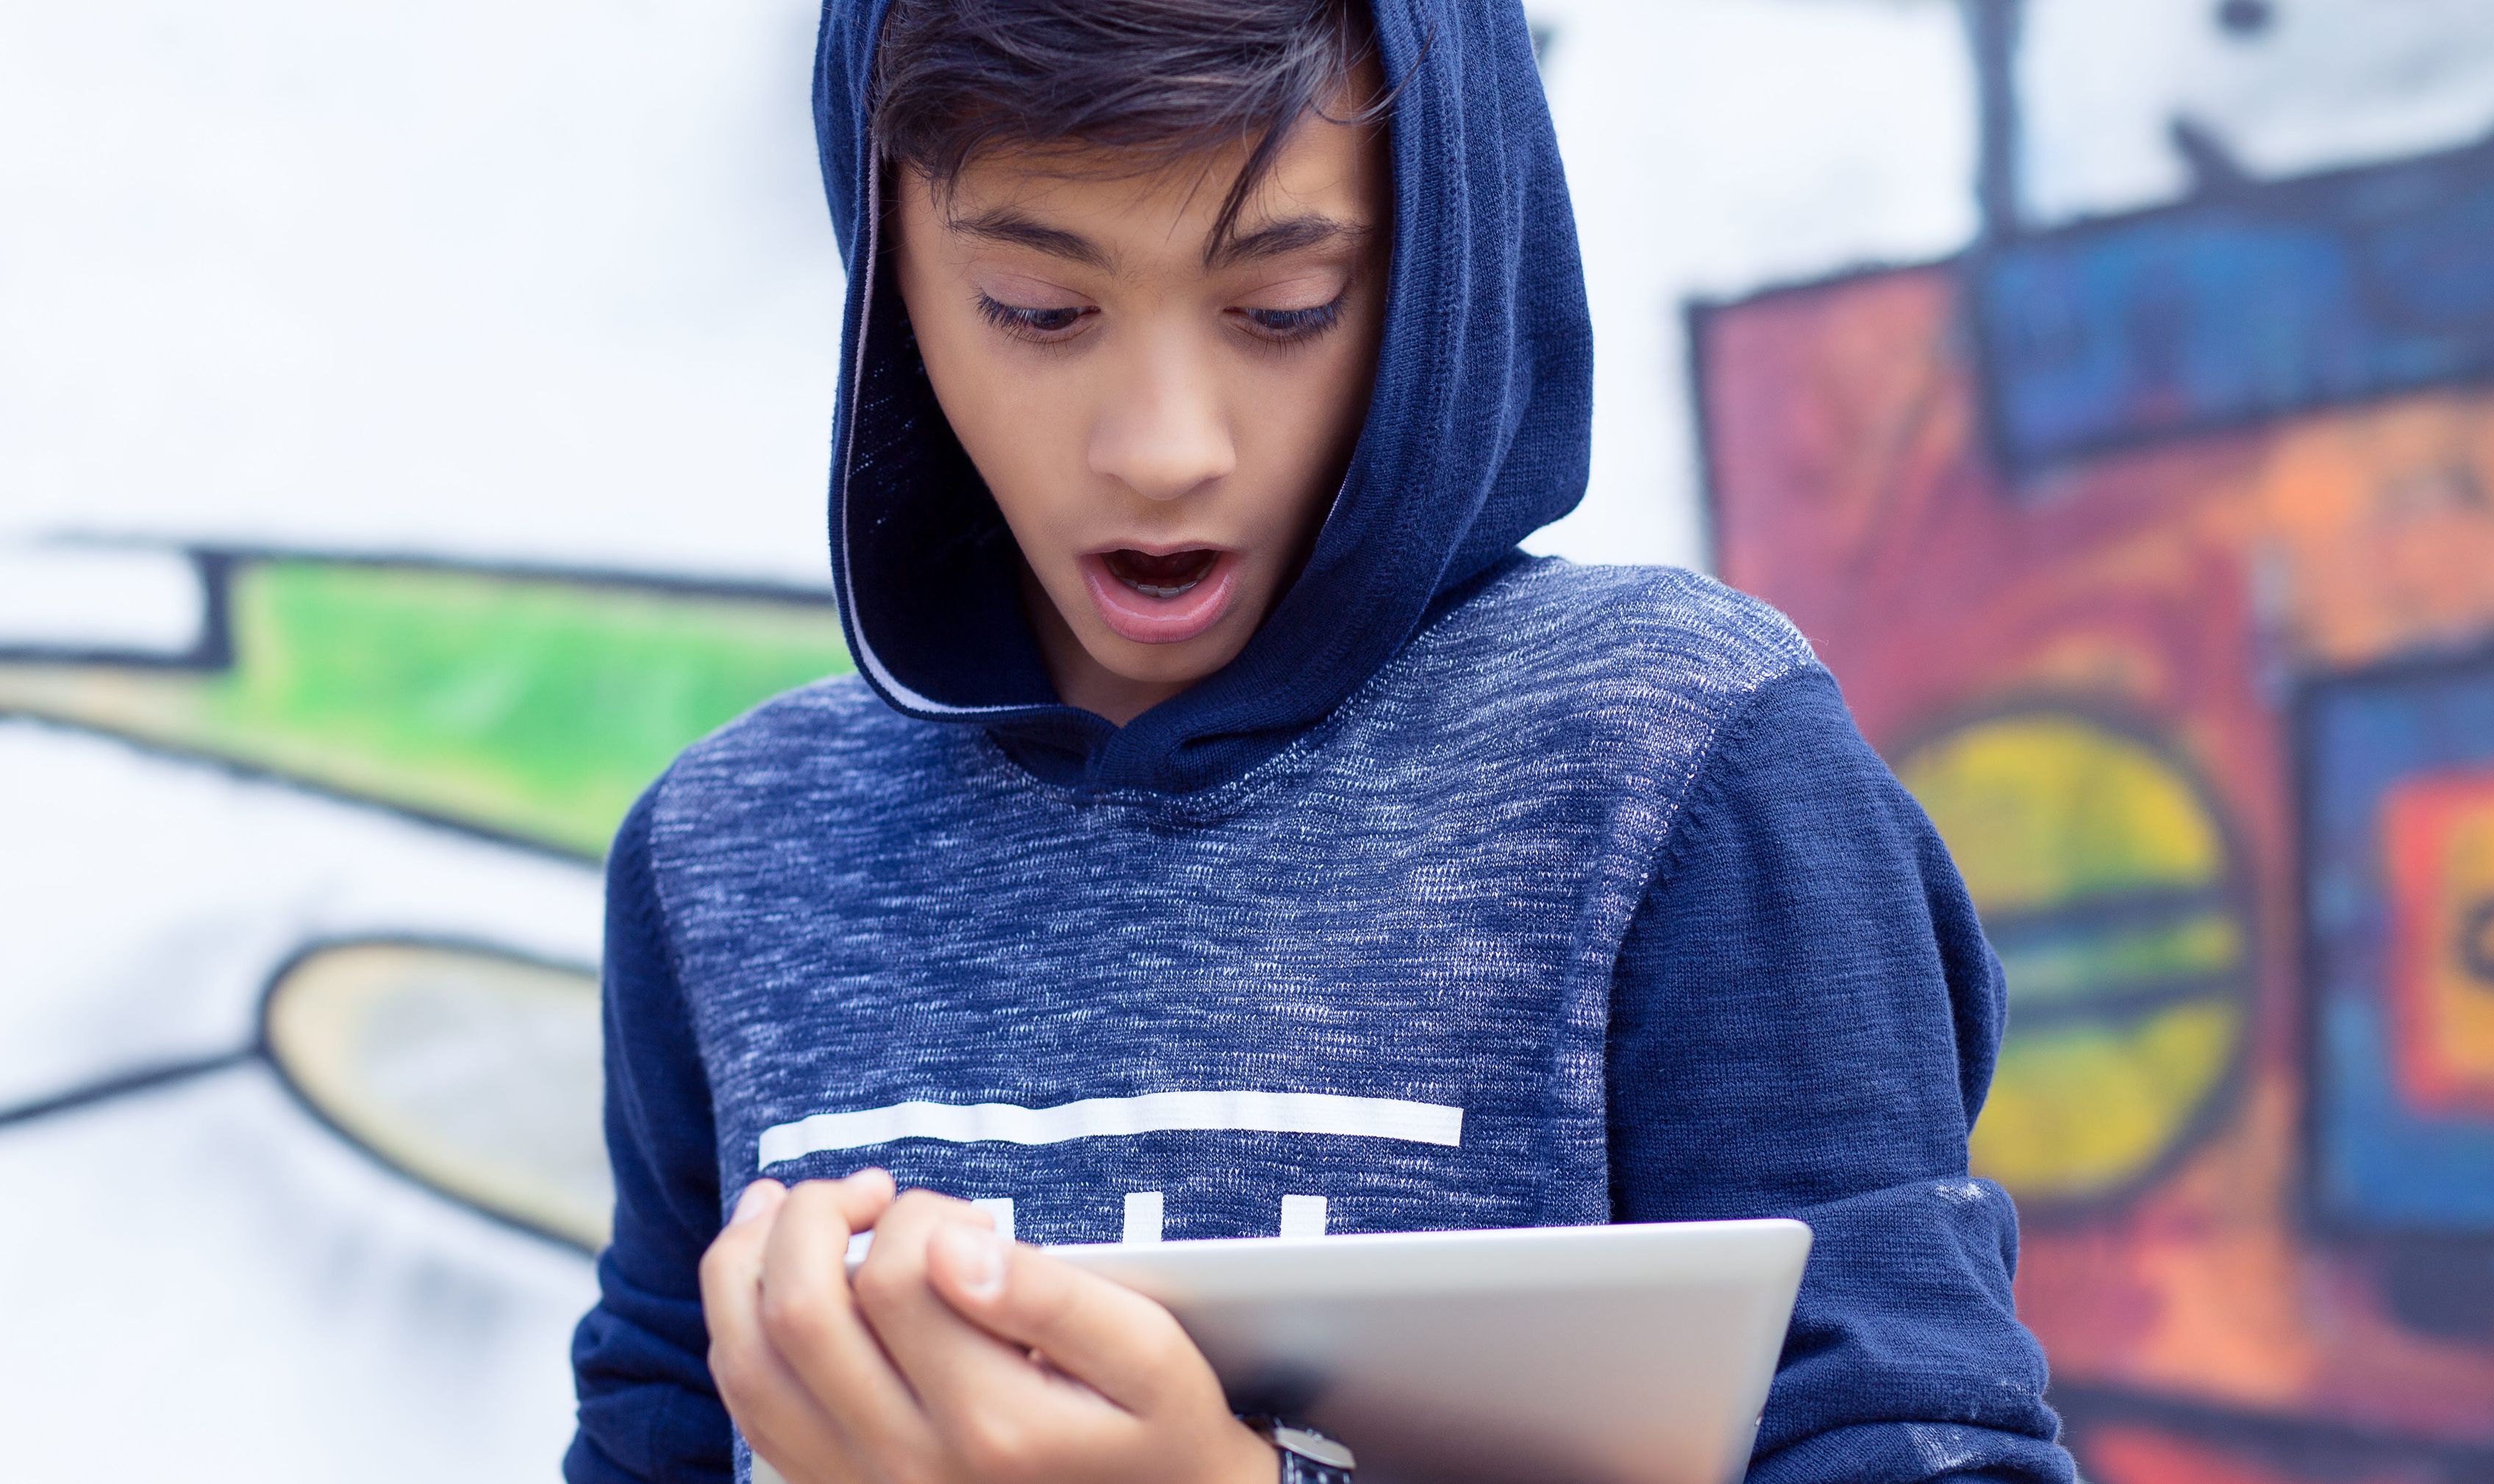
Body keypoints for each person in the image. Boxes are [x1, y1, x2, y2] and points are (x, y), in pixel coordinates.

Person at [567, 0, 2075, 1481]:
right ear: (890, 266)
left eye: (1284, 308)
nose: (1164, 446)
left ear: (1439, 258)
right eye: (1036, 306)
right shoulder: (728, 852)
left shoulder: (1678, 764)